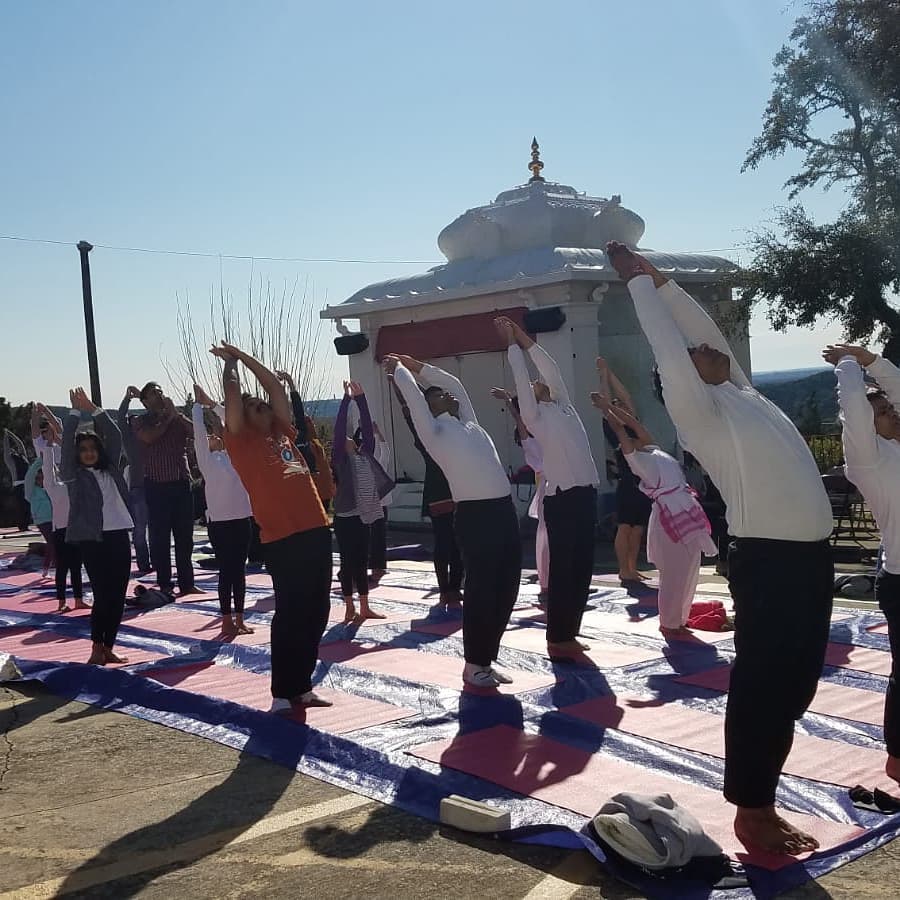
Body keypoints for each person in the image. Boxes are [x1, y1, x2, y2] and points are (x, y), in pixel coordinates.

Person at [608, 241, 833, 855]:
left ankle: (765, 794)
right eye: (698, 355)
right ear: (682, 379)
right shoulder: (700, 413)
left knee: (795, 689)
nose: (712, 350)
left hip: (811, 561)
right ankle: (752, 810)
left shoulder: (742, 393)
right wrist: (638, 287)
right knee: (764, 686)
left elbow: (705, 335)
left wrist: (666, 284)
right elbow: (671, 350)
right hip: (770, 561)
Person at [385, 353, 520, 688]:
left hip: (504, 511)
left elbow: (453, 383)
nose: (448, 395)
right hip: (476, 516)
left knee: (508, 588)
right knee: (481, 589)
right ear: (430, 406)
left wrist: (418, 365)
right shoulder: (434, 431)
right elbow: (415, 399)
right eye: (439, 395)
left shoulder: (469, 423)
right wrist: (400, 370)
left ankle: (486, 659)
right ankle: (474, 664)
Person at [211, 340, 333, 711]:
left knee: (317, 610)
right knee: (291, 613)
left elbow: (275, 389)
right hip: (282, 537)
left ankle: (303, 686)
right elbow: (232, 399)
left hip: (315, 529)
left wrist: (245, 357)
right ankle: (282, 692)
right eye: (251, 406)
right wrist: (230, 366)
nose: (259, 405)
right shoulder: (241, 441)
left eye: (259, 403)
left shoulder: (283, 431)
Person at [497, 317, 599, 657]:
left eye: (543, 383)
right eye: (536, 385)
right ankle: (557, 637)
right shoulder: (534, 415)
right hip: (561, 499)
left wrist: (523, 336)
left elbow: (549, 366)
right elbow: (523, 381)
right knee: (564, 569)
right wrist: (511, 344)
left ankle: (570, 632)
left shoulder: (564, 406)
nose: (541, 382)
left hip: (585, 494)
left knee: (582, 568)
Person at [824, 343, 900, 786]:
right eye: (884, 411)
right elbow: (853, 412)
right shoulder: (869, 461)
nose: (892, 411)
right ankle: (897, 756)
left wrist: (871, 360)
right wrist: (850, 368)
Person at [593, 395, 716, 636]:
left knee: (690, 567)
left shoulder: (653, 450)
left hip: (686, 509)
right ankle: (670, 622)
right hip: (669, 515)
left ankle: (679, 618)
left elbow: (636, 426)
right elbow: (622, 433)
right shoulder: (637, 460)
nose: (637, 435)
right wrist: (607, 411)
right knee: (674, 571)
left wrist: (610, 406)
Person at [60, 388, 134, 665]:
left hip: (118, 535)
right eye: (84, 450)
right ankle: (96, 646)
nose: (89, 453)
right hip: (93, 539)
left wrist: (95, 409)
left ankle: (108, 646)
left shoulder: (110, 467)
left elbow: (115, 435)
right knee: (102, 594)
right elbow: (67, 445)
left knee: (118, 595)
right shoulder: (74, 476)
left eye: (93, 449)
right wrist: (74, 414)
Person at [389, 375, 464, 606]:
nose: (440, 398)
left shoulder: (453, 420)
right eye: (434, 397)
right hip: (439, 491)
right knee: (443, 540)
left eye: (441, 395)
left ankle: (455, 586)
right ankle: (445, 588)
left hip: (460, 488)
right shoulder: (425, 428)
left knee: (459, 542)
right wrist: (399, 384)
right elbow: (409, 408)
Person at [192, 384, 254, 635]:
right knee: (226, 571)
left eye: (218, 435)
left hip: (242, 519)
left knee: (239, 571)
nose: (214, 437)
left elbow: (236, 428)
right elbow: (198, 434)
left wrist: (212, 404)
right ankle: (226, 618)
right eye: (211, 437)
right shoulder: (207, 461)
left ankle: (240, 617)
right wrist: (197, 407)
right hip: (219, 523)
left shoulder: (237, 456)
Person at [332, 381, 394, 623]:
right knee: (348, 562)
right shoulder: (340, 461)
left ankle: (364, 606)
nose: (349, 439)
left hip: (363, 515)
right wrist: (346, 401)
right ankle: (349, 606)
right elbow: (338, 432)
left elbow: (367, 431)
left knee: (361, 562)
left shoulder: (364, 455)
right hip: (345, 517)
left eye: (351, 438)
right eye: (346, 439)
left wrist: (362, 399)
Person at [135, 382, 201, 597]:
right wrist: (168, 418)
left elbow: (197, 434)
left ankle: (187, 583)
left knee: (185, 538)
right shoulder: (140, 421)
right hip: (157, 486)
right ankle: (165, 583)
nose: (160, 395)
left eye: (160, 391)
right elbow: (150, 437)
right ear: (144, 401)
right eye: (154, 393)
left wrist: (179, 416)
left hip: (181, 483)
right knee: (160, 539)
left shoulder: (177, 419)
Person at [596, 358, 652, 584]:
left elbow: (626, 395)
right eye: (618, 405)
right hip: (628, 482)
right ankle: (623, 569)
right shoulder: (613, 426)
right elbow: (607, 401)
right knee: (625, 526)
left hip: (642, 482)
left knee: (638, 529)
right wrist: (602, 377)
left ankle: (632, 567)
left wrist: (610, 373)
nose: (623, 405)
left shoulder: (633, 423)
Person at [491, 388, 548, 606]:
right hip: (548, 487)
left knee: (551, 536)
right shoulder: (531, 441)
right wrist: (509, 402)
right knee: (546, 537)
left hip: (554, 484)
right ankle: (546, 582)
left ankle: (550, 580)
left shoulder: (544, 435)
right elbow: (521, 424)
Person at [33, 404, 85, 612]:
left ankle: (79, 599)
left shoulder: (73, 485)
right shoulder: (53, 487)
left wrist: (47, 413)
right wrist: (48, 444)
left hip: (76, 530)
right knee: (63, 567)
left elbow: (72, 458)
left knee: (76, 567)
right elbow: (47, 468)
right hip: (61, 531)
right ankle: (62, 601)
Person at [118, 386, 152, 574]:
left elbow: (155, 414)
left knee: (156, 528)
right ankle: (143, 563)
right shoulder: (130, 442)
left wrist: (143, 398)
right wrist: (128, 398)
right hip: (139, 487)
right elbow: (120, 419)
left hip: (156, 485)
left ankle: (156, 561)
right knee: (139, 529)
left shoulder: (150, 436)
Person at [368, 421, 393, 585]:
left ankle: (379, 565)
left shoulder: (378, 464)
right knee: (375, 536)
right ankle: (377, 565)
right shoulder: (362, 466)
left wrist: (377, 433)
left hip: (380, 505)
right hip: (371, 506)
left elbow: (385, 450)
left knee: (378, 535)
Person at [3, 428, 30, 532]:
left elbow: (20, 443)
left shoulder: (23, 456)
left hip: (27, 485)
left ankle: (26, 525)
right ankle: (22, 526)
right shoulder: (9, 460)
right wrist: (6, 436)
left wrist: (10, 433)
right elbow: (6, 448)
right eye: (12, 450)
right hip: (18, 486)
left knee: (27, 507)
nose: (14, 450)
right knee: (20, 507)